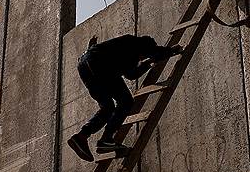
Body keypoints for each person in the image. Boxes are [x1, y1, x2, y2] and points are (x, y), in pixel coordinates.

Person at [67, 34, 182, 162]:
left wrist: (148, 63)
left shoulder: (125, 51)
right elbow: (153, 53)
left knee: (108, 107)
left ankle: (81, 137)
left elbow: (131, 74)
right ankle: (106, 140)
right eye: (144, 55)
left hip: (85, 66)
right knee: (126, 101)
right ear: (145, 47)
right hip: (99, 63)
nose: (142, 58)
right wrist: (172, 50)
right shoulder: (133, 44)